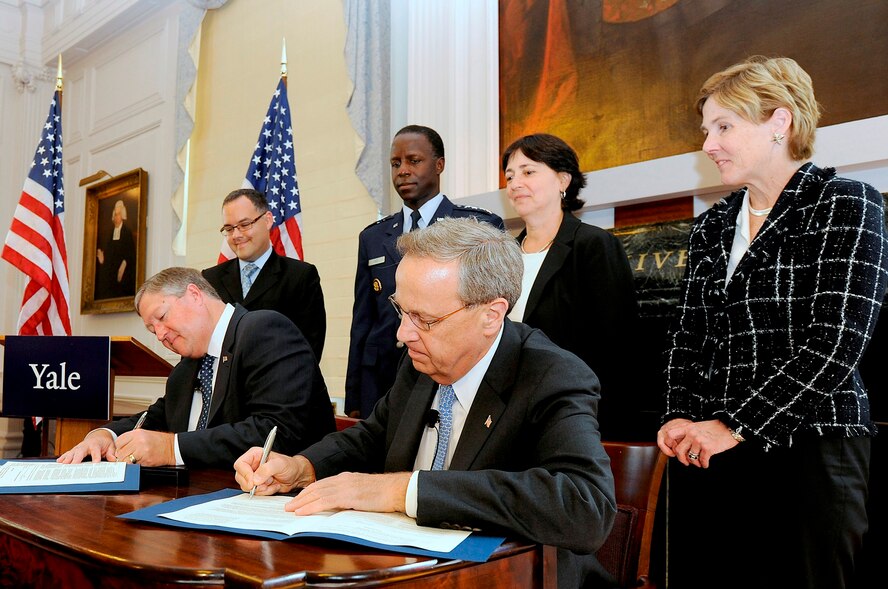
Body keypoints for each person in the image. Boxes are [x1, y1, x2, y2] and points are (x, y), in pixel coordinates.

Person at [235, 217, 617, 589]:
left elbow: (586, 507)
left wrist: (403, 491)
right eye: (402, 310)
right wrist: (301, 467)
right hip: (407, 569)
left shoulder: (551, 375)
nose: (403, 333)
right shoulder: (421, 362)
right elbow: (371, 436)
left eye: (424, 318)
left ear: (491, 314)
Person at [657, 56, 888, 589]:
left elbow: (835, 344)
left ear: (779, 122)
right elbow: (688, 336)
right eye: (706, 130)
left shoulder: (846, 203)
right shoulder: (713, 225)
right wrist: (678, 414)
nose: (708, 144)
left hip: (814, 446)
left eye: (724, 127)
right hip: (715, 451)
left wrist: (735, 425)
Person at [58, 267, 335, 469]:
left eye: (162, 317)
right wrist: (105, 434)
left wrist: (171, 448)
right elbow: (156, 417)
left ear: (194, 294)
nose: (161, 335)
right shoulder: (186, 369)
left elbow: (276, 433)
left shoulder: (263, 329)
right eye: (152, 330)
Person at [344, 125, 505, 418]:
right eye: (396, 164)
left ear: (439, 164)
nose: (403, 170)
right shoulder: (373, 236)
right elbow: (362, 320)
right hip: (381, 380)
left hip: (445, 374)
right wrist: (354, 395)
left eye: (414, 161)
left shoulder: (476, 227)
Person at [502, 133, 639, 439]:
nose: (514, 184)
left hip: (572, 413)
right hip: (508, 412)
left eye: (528, 172)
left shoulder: (593, 245)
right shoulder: (502, 255)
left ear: (563, 180)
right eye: (510, 176)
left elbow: (617, 345)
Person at [203, 188, 326, 362]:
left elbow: (309, 349)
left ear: (267, 220)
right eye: (229, 229)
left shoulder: (300, 276)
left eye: (245, 225)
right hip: (225, 387)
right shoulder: (210, 280)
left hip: (279, 384)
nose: (236, 235)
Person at [95, 199, 136, 299]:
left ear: (122, 215)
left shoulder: (127, 232)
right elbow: (107, 253)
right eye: (115, 214)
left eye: (118, 214)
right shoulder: (109, 233)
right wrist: (102, 259)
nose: (116, 217)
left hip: (124, 271)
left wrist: (123, 266)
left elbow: (130, 254)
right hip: (111, 271)